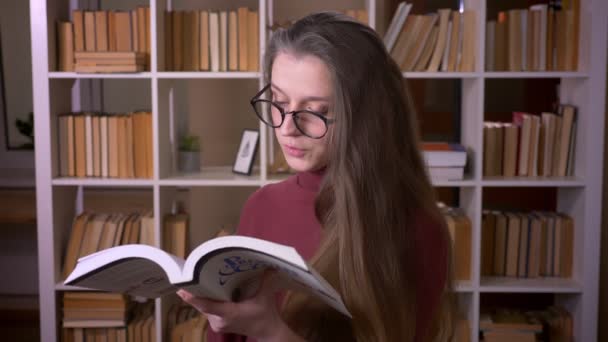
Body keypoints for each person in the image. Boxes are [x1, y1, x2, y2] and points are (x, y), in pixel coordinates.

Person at [177, 11, 454, 342]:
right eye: (278, 102)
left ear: (365, 117)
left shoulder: (418, 228)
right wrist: (222, 319)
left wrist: (270, 332)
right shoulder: (262, 205)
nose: (287, 128)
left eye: (316, 111)